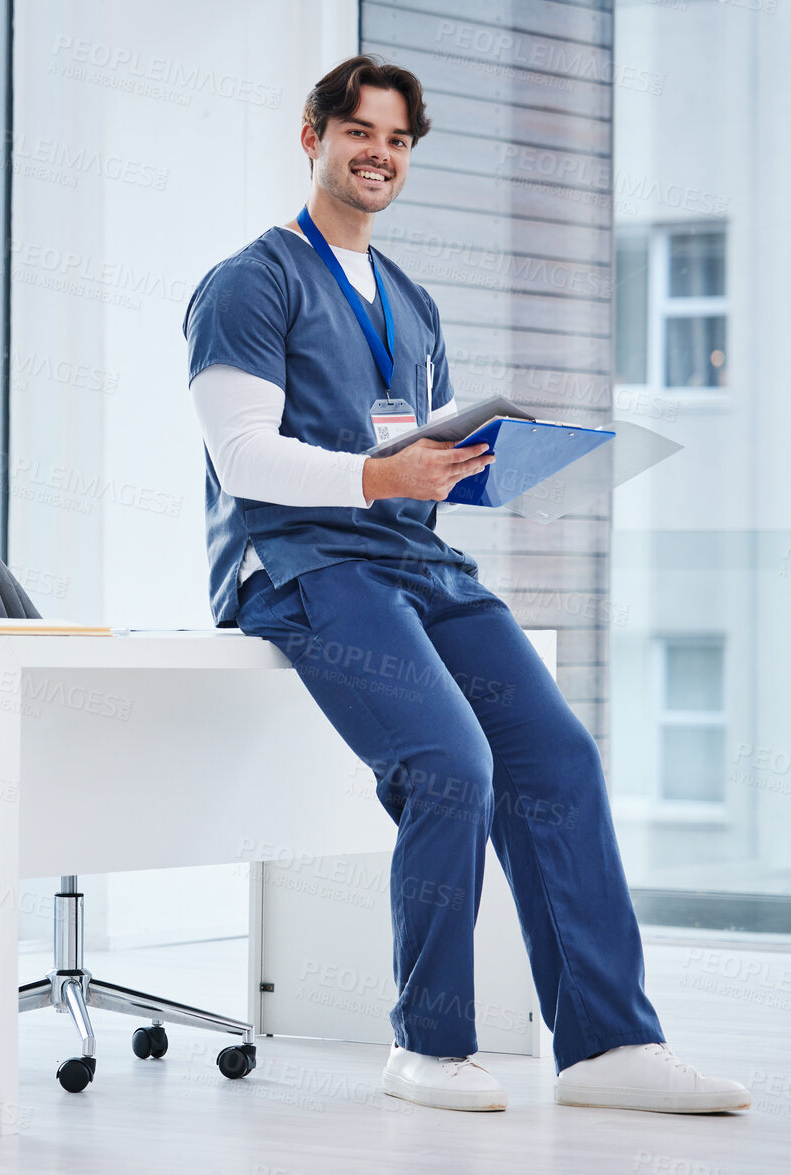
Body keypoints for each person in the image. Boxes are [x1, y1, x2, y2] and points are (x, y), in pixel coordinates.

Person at [183, 54, 749, 1115]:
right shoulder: (249, 283)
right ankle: (428, 1042)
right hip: (302, 563)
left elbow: (407, 449)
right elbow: (244, 459)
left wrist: (482, 468)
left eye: (398, 140)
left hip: (414, 558)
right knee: (450, 762)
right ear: (312, 136)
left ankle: (605, 1043)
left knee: (560, 756)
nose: (380, 155)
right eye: (360, 133)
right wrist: (380, 476)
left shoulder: (411, 300)